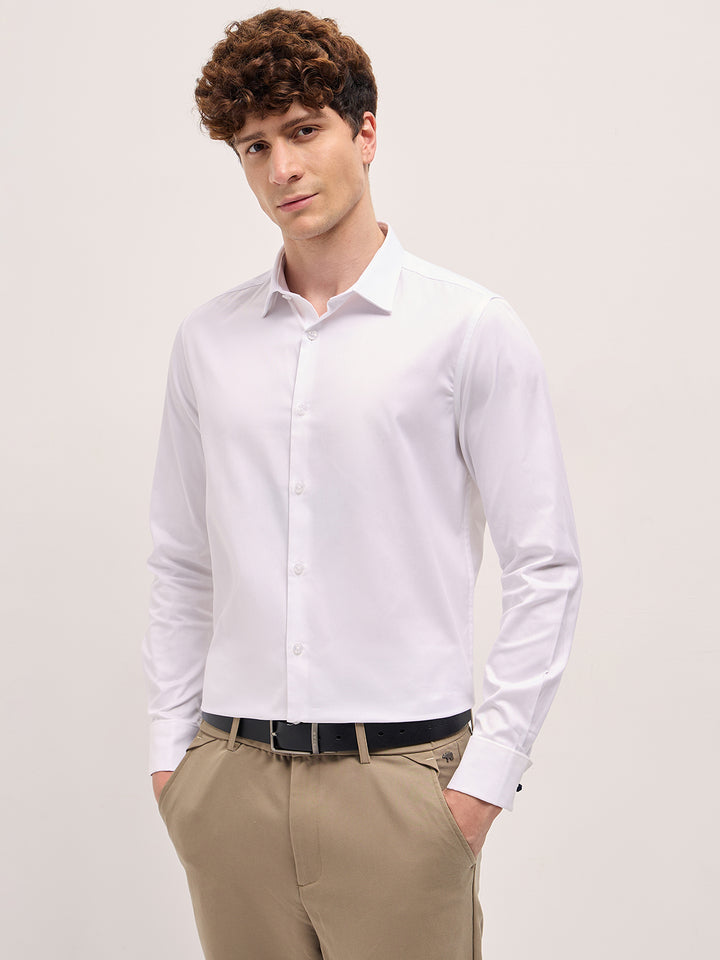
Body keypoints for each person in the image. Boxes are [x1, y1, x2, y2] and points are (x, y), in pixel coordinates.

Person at [142, 8, 583, 960]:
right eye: (255, 146)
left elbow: (544, 565)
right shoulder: (207, 343)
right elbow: (181, 561)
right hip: (229, 784)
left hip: (401, 785)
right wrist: (173, 761)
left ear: (366, 132)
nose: (282, 168)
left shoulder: (468, 329)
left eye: (304, 130)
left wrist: (481, 785)